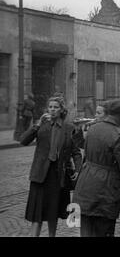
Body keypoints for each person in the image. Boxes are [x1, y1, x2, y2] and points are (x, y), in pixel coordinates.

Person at [20, 96, 82, 237]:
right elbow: (23, 141)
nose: (52, 110)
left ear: (61, 110)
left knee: (52, 213)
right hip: (40, 175)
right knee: (37, 214)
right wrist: (36, 125)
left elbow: (76, 152)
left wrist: (78, 169)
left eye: (56, 107)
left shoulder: (68, 128)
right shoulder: (42, 125)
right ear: (47, 109)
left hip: (57, 176)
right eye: (50, 107)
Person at [73, 99, 120, 237]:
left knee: (86, 230)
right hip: (105, 190)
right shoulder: (118, 135)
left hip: (84, 185)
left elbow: (85, 148)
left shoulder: (93, 128)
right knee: (103, 230)